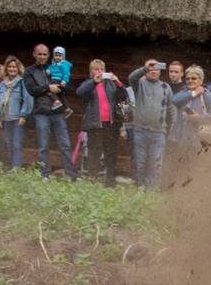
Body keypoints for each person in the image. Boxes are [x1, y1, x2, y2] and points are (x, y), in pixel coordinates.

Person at [24, 44, 78, 181]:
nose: (42, 56)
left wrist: (61, 86)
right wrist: (48, 87)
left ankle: (71, 175)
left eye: (45, 54)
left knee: (65, 145)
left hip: (58, 112)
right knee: (43, 146)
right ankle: (45, 174)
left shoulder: (55, 67)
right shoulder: (29, 71)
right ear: (34, 54)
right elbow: (32, 90)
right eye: (39, 54)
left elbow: (67, 87)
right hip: (41, 112)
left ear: (49, 55)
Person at [76, 59, 128, 187]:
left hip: (111, 125)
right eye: (96, 69)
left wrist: (117, 82)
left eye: (101, 69)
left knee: (111, 154)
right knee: (94, 154)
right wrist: (94, 81)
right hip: (95, 126)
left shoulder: (110, 84)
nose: (99, 71)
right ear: (91, 72)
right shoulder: (88, 84)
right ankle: (92, 181)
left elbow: (124, 96)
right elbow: (80, 92)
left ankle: (110, 182)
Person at [128, 59, 173, 188]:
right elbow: (131, 77)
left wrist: (172, 127)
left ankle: (152, 191)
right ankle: (141, 188)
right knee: (140, 163)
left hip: (159, 133)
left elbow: (171, 109)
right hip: (140, 130)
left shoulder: (166, 87)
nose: (153, 71)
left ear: (160, 71)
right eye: (151, 68)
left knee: (156, 164)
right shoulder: (140, 84)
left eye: (156, 68)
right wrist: (144, 68)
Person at [168, 64, 211, 162]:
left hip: (196, 140)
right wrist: (194, 93)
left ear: (201, 80)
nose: (190, 81)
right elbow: (175, 100)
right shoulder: (184, 92)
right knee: (176, 165)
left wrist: (199, 118)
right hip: (179, 139)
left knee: (191, 165)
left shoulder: (206, 95)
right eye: (188, 79)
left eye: (194, 78)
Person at [0, 55, 33, 169]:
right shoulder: (2, 84)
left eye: (14, 67)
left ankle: (16, 167)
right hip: (5, 118)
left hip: (17, 118)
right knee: (9, 143)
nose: (12, 69)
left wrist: (23, 115)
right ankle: (12, 166)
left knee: (17, 144)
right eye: (10, 67)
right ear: (6, 68)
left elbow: (28, 99)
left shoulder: (22, 83)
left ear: (18, 69)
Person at [47, 46, 72, 115]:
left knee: (49, 90)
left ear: (63, 56)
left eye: (60, 56)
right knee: (61, 96)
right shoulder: (53, 64)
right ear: (53, 56)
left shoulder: (63, 64)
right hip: (54, 80)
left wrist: (64, 80)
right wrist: (48, 70)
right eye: (56, 55)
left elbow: (67, 73)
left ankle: (56, 101)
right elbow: (50, 68)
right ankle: (67, 108)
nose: (57, 57)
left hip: (57, 81)